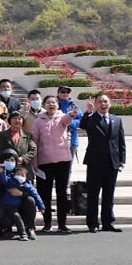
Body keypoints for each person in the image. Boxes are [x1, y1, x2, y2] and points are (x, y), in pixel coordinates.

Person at [79, 95, 127, 233]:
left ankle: (108, 222)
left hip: (112, 162)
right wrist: (88, 112)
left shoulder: (116, 119)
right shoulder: (91, 118)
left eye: (105, 101)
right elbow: (82, 125)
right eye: (100, 101)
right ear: (95, 104)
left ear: (110, 104)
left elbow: (121, 141)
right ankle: (93, 223)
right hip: (95, 162)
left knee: (109, 195)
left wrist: (122, 159)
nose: (103, 103)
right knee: (93, 195)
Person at [32, 95, 76, 233]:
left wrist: (71, 114)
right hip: (44, 162)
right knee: (44, 193)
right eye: (48, 102)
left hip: (63, 160)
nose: (51, 104)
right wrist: (34, 161)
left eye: (54, 102)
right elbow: (34, 142)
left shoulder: (62, 117)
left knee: (62, 193)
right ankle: (47, 223)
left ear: (58, 105)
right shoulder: (38, 121)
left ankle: (62, 223)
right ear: (44, 105)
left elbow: (67, 120)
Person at [0, 165, 46, 241]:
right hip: (9, 207)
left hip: (20, 207)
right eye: (18, 174)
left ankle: (30, 229)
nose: (20, 176)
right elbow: (3, 179)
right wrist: (3, 169)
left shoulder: (28, 185)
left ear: (26, 177)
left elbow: (36, 195)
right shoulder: (10, 180)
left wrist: (41, 207)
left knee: (30, 200)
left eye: (22, 175)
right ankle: (5, 229)